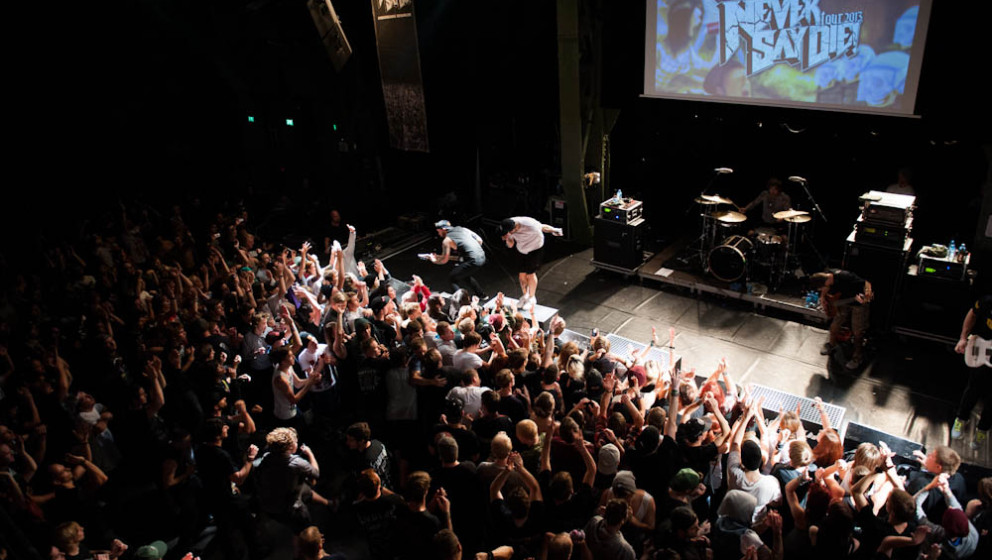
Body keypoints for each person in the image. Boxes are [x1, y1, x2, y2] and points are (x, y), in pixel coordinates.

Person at [811, 269, 874, 370]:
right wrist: (822, 297)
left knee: (857, 331)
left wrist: (866, 296)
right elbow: (825, 290)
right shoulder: (827, 274)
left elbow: (868, 285)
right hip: (844, 300)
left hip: (858, 303)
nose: (822, 290)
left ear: (826, 282)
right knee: (835, 325)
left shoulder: (846, 277)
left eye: (822, 288)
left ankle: (857, 358)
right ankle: (831, 345)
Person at [951, 295, 992, 449]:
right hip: (982, 348)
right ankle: (961, 419)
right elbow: (973, 313)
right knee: (973, 388)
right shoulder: (988, 300)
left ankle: (982, 429)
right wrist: (963, 338)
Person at [500, 216, 563, 308]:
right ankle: (525, 296)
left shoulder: (528, 224)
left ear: (515, 228)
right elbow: (510, 245)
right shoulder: (507, 227)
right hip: (522, 249)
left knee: (530, 274)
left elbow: (543, 227)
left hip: (535, 248)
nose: (508, 233)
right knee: (521, 275)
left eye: (510, 232)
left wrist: (554, 230)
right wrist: (508, 239)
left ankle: (532, 297)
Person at [428, 220, 488, 299]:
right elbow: (480, 240)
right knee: (464, 274)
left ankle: (462, 302)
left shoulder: (447, 240)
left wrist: (433, 260)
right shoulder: (462, 229)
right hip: (482, 255)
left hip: (473, 260)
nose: (438, 233)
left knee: (452, 278)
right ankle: (482, 295)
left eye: (438, 231)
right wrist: (439, 256)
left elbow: (444, 261)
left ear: (443, 229)